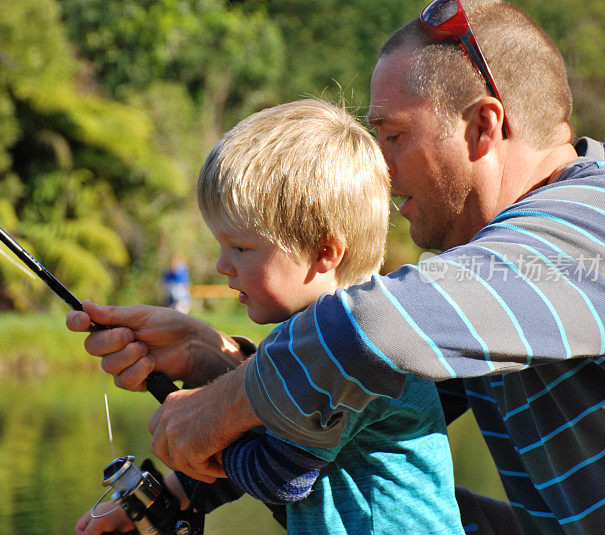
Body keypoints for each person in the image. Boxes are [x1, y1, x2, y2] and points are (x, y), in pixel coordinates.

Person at [68, 1, 605, 533]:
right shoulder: (513, 277)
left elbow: (371, 329)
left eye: (392, 136)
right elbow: (348, 412)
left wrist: (222, 404)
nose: (382, 171)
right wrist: (215, 363)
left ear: (482, 129)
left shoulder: (599, 226)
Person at [75, 100, 463, 534]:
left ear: (323, 252)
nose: (223, 265)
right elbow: (271, 436)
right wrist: (176, 487)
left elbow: (280, 475)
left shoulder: (352, 350)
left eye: (240, 248)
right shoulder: (303, 339)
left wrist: (206, 434)